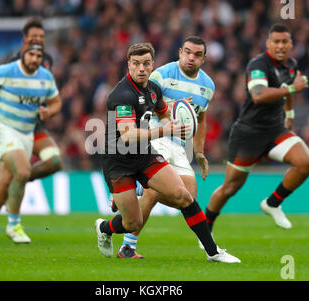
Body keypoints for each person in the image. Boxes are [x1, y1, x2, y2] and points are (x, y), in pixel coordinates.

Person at [94, 42, 239, 263]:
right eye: (136, 64)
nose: (141, 68)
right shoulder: (121, 95)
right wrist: (164, 129)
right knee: (132, 222)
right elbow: (128, 136)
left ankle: (213, 251)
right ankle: (104, 227)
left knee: (184, 195)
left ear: (152, 65)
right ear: (129, 65)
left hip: (145, 156)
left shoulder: (153, 90)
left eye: (145, 63)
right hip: (119, 162)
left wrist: (179, 117)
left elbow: (163, 113)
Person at [112, 36, 218, 259]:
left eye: (197, 54)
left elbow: (201, 118)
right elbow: (143, 102)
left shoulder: (208, 86)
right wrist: (173, 107)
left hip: (179, 144)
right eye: (187, 52)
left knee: (187, 196)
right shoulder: (161, 74)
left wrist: (198, 151)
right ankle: (128, 246)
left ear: (204, 59)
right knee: (158, 190)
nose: (191, 57)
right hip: (153, 137)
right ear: (180, 52)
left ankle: (135, 187)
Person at [205, 23, 309, 233]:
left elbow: (287, 89)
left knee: (306, 163)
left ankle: (272, 203)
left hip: (275, 130)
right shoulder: (258, 65)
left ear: (291, 44)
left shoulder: (290, 64)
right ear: (268, 44)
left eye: (285, 41)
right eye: (276, 42)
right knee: (230, 188)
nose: (281, 46)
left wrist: (289, 114)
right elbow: (258, 95)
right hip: (248, 134)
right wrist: (293, 88)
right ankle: (205, 227)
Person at [0, 40, 61, 245]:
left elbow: (57, 102)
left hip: (28, 132)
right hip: (4, 129)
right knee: (21, 170)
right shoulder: (7, 71)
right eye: (32, 55)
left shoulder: (45, 77)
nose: (36, 60)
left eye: (39, 57)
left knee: (5, 184)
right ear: (23, 54)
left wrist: (50, 111)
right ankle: (14, 225)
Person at [0, 17, 63, 228]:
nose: (38, 39)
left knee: (55, 161)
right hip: (13, 127)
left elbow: (49, 92)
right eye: (34, 37)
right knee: (5, 181)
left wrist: (49, 109)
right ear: (25, 39)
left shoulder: (46, 59)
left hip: (34, 126)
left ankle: (18, 180)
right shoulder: (14, 62)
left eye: (41, 36)